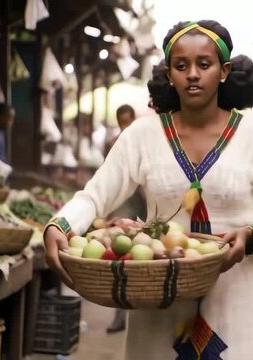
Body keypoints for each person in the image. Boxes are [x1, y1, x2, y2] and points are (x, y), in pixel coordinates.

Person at [43, 20, 253, 359]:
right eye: (181, 66)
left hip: (239, 298)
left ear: (223, 71)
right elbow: (94, 196)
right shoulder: (141, 136)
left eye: (204, 64)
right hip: (157, 295)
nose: (192, 74)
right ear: (168, 73)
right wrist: (59, 225)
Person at [104, 104, 146, 333]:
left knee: (140, 260)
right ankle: (120, 317)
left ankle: (134, 313)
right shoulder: (113, 145)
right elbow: (108, 179)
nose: (124, 126)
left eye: (127, 121)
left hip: (142, 207)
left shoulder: (142, 143)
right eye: (121, 121)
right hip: (123, 208)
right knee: (121, 260)